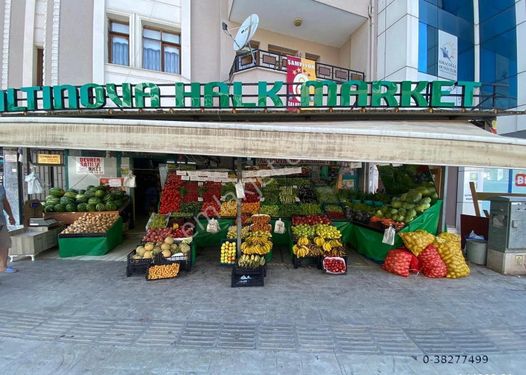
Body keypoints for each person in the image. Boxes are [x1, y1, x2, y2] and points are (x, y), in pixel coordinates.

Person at [0, 184, 16, 273]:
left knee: (4, 244)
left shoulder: (1, 188)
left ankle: (3, 266)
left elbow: (5, 202)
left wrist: (11, 216)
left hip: (1, 221)